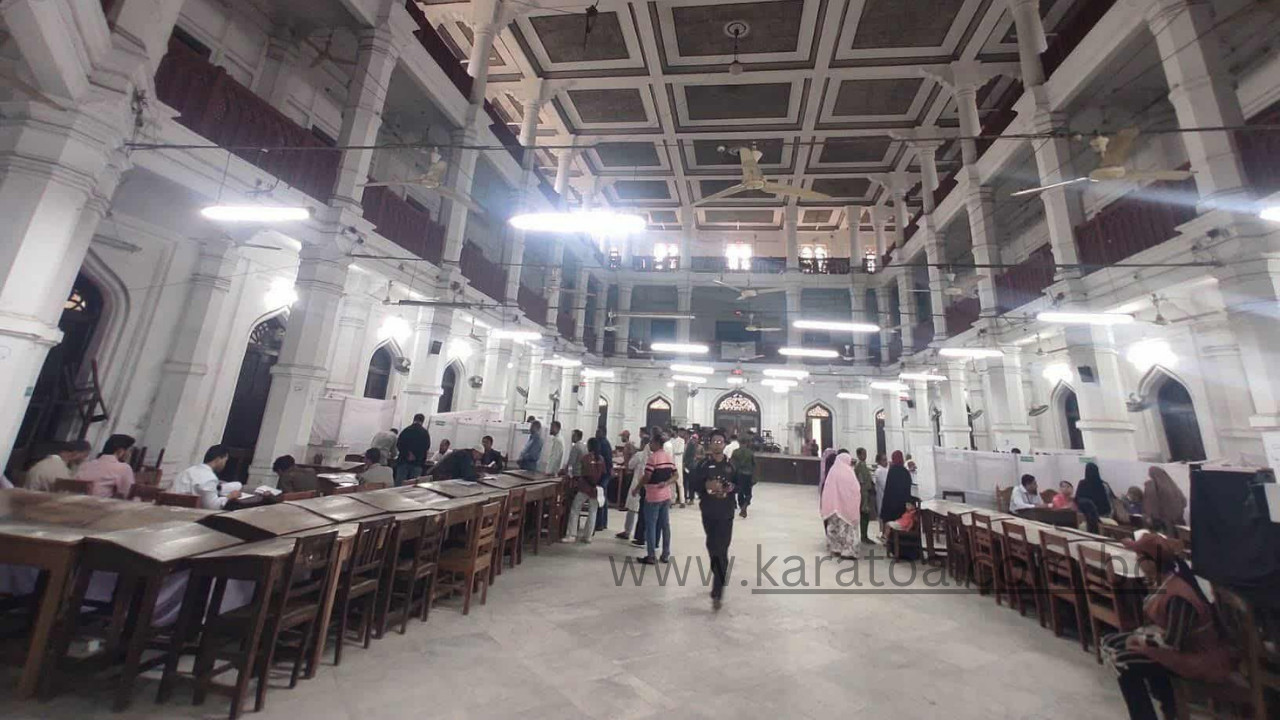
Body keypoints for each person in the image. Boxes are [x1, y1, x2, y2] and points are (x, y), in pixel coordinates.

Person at [1102, 532, 1233, 720]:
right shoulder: (1164, 582)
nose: (1137, 561)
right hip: (1178, 649)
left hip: (1198, 658)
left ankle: (1151, 714)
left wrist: (1139, 639)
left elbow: (1173, 641)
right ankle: (1168, 707)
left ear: (1152, 562)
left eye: (1140, 557)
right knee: (1111, 642)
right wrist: (1140, 638)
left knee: (1124, 661)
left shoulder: (1179, 594)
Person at [690, 429, 737, 610]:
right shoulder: (703, 465)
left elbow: (742, 484)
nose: (717, 445)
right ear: (709, 444)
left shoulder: (731, 465)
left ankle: (718, 588)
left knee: (722, 548)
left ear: (724, 444)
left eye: (720, 442)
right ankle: (719, 574)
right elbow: (694, 484)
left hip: (726, 513)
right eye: (714, 441)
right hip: (709, 512)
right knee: (712, 546)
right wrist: (705, 485)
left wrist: (731, 487)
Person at [637, 435, 676, 564]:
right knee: (665, 525)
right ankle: (665, 554)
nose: (650, 445)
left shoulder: (653, 458)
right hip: (666, 496)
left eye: (651, 442)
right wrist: (666, 483)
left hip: (653, 496)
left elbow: (647, 476)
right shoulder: (668, 457)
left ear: (657, 443)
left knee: (651, 526)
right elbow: (676, 475)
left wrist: (637, 488)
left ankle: (651, 556)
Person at [171, 445, 240, 510]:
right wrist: (229, 497)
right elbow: (212, 507)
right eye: (225, 460)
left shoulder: (188, 470)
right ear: (218, 459)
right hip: (188, 513)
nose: (225, 464)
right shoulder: (210, 478)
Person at [820, 452, 861, 558]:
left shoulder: (832, 471)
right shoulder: (849, 472)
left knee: (835, 529)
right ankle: (848, 552)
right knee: (847, 530)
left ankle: (835, 549)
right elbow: (856, 489)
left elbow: (826, 490)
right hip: (847, 508)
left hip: (834, 508)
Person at [75, 434, 137, 498]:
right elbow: (127, 493)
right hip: (98, 503)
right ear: (120, 451)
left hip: (76, 501)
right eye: (129, 451)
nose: (130, 454)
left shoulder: (86, 465)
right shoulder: (123, 468)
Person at [567, 438, 604, 543]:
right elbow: (603, 473)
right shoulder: (601, 459)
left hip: (585, 487)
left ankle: (572, 534)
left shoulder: (586, 458)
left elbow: (583, 472)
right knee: (593, 512)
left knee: (575, 509)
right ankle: (588, 536)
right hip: (596, 489)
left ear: (589, 446)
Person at [618, 435, 651, 544]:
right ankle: (643, 534)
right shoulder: (653, 455)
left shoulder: (640, 455)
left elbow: (630, 466)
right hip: (648, 485)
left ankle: (627, 531)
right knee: (644, 511)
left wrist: (629, 455)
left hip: (637, 483)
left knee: (632, 509)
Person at [25, 440, 91, 492]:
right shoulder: (60, 472)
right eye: (85, 455)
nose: (84, 459)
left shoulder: (42, 463)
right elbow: (63, 497)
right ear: (75, 453)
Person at [1143, 467, 1187, 532]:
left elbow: (1150, 504)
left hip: (1161, 524)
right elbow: (1184, 502)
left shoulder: (1152, 485)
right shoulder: (1173, 486)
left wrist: (1149, 517)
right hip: (1178, 523)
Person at [878, 451, 913, 534]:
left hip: (890, 505)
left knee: (890, 521)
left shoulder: (891, 471)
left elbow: (888, 488)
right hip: (901, 506)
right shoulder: (905, 472)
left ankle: (888, 536)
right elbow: (908, 487)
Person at [395, 414, 431, 485]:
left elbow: (399, 444)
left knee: (400, 484)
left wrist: (408, 454)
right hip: (417, 463)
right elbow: (426, 447)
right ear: (422, 421)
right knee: (413, 485)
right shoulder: (425, 433)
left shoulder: (406, 430)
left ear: (414, 419)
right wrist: (416, 456)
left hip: (403, 461)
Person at [853, 448, 877, 543]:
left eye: (865, 454)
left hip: (866, 492)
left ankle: (865, 534)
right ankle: (864, 535)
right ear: (858, 455)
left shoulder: (863, 465)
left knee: (866, 515)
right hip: (863, 493)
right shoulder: (859, 466)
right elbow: (861, 481)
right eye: (863, 454)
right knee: (864, 514)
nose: (865, 456)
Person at [730, 435, 756, 519]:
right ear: (747, 443)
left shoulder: (735, 452)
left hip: (738, 474)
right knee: (748, 493)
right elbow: (754, 465)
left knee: (740, 492)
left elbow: (732, 464)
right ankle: (745, 506)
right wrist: (754, 477)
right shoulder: (750, 453)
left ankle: (742, 507)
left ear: (739, 442)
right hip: (748, 474)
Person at [594, 427, 614, 530]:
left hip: (603, 474)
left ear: (603, 433)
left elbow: (603, 460)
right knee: (603, 497)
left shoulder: (602, 444)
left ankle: (599, 523)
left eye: (598, 432)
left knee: (600, 497)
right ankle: (603, 522)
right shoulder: (605, 443)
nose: (596, 433)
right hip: (606, 473)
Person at [664, 427, 687, 508]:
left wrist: (671, 451)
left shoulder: (681, 440)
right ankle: (672, 500)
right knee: (671, 483)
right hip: (671, 463)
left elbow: (679, 451)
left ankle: (682, 501)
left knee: (680, 483)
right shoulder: (670, 441)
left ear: (675, 432)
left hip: (678, 463)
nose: (671, 433)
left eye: (672, 431)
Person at [681, 429, 698, 504]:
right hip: (685, 465)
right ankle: (685, 498)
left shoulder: (691, 444)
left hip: (690, 465)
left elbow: (691, 456)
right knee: (685, 482)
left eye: (685, 434)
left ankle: (691, 499)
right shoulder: (684, 443)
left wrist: (685, 463)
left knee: (690, 482)